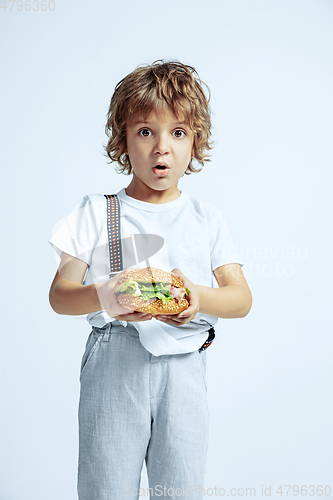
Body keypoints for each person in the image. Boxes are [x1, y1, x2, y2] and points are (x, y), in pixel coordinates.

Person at [48, 60, 252, 500]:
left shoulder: (207, 219)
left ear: (195, 141)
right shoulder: (96, 212)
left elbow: (240, 298)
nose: (162, 148)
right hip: (115, 360)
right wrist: (107, 294)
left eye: (177, 132)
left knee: (179, 489)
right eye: (145, 131)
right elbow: (61, 297)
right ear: (122, 139)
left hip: (184, 366)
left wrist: (196, 297)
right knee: (107, 487)